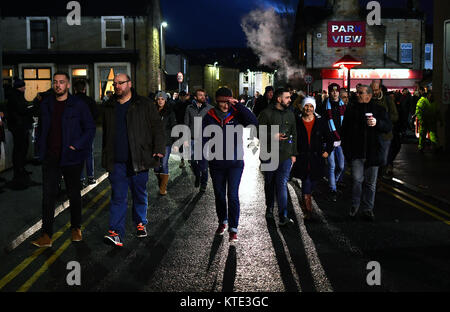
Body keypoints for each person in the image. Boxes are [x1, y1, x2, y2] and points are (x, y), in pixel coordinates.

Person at [31, 72, 96, 247]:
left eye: (61, 82)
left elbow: (90, 129)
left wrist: (77, 145)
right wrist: (40, 149)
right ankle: (46, 235)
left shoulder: (78, 105)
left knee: (74, 194)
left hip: (72, 157)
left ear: (68, 85)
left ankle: (76, 228)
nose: (58, 85)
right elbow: (41, 128)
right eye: (55, 82)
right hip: (51, 157)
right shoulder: (46, 104)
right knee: (48, 197)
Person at [102, 73, 165, 247]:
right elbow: (106, 135)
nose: (117, 86)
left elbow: (157, 128)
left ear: (129, 83)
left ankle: (140, 222)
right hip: (117, 162)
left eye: (120, 83)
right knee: (118, 197)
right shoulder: (109, 106)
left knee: (139, 194)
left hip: (139, 158)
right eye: (115, 84)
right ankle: (116, 233)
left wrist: (159, 149)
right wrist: (105, 157)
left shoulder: (144, 104)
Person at [200, 87, 258, 242]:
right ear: (217, 102)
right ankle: (222, 221)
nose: (225, 106)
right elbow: (204, 141)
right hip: (216, 164)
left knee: (232, 195)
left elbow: (253, 122)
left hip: (235, 163)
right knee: (219, 195)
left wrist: (238, 105)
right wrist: (203, 163)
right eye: (222, 102)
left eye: (228, 102)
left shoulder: (237, 114)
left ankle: (233, 228)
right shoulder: (209, 117)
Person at [341, 85, 392, 221]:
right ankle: (355, 205)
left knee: (370, 183)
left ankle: (368, 209)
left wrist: (377, 123)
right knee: (357, 180)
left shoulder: (379, 110)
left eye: (360, 93)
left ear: (368, 96)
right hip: (356, 153)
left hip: (373, 153)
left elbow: (388, 127)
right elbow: (344, 132)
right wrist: (347, 152)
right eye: (357, 92)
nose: (357, 94)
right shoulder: (351, 110)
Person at [258, 88, 297, 226]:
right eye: (287, 97)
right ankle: (269, 207)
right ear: (279, 99)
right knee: (269, 183)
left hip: (285, 155)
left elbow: (294, 134)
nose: (290, 100)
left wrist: (293, 153)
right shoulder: (266, 113)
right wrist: (273, 136)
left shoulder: (291, 115)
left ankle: (283, 215)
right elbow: (258, 133)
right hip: (269, 154)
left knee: (281, 184)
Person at [291, 97, 334, 219]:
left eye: (311, 106)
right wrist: (292, 152)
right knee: (306, 180)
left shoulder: (320, 121)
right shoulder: (297, 120)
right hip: (302, 157)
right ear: (302, 107)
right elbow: (292, 138)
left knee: (313, 181)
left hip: (316, 157)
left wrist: (327, 151)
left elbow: (329, 139)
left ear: (314, 108)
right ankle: (307, 210)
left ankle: (306, 201)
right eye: (306, 106)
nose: (308, 108)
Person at [6, 78, 34, 189]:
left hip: (20, 126)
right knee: (20, 148)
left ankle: (21, 168)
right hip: (18, 127)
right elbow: (21, 110)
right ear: (20, 87)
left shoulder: (16, 95)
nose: (25, 88)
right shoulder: (15, 96)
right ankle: (19, 170)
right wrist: (31, 108)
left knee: (22, 147)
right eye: (23, 86)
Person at [184, 89, 213, 192]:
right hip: (192, 139)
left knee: (204, 163)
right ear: (195, 97)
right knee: (192, 161)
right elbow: (186, 123)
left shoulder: (210, 108)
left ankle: (203, 183)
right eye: (200, 95)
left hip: (205, 140)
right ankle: (197, 176)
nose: (202, 97)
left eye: (204, 95)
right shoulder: (189, 108)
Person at [73, 80, 99, 187]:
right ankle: (91, 177)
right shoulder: (90, 101)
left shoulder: (71, 101)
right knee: (89, 154)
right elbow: (96, 115)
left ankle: (80, 179)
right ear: (84, 89)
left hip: (75, 131)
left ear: (75, 89)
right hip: (88, 131)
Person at [370, 81, 398, 175]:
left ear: (380, 89)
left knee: (383, 160)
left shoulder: (387, 100)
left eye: (376, 90)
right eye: (372, 90)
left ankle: (380, 177)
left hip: (384, 135)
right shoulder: (368, 99)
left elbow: (395, 116)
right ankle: (376, 181)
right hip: (372, 135)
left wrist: (383, 120)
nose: (374, 92)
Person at [325, 83, 346, 202]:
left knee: (341, 166)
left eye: (336, 91)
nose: (334, 93)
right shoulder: (325, 106)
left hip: (341, 139)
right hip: (330, 140)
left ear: (339, 92)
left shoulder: (343, 106)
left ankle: (334, 181)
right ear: (329, 92)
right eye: (332, 91)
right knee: (332, 166)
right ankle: (332, 188)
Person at [154, 91, 177, 195]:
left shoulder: (169, 112)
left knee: (164, 164)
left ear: (165, 100)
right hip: (154, 142)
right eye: (158, 99)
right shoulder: (152, 111)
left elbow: (174, 127)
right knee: (156, 166)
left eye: (162, 99)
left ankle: (163, 188)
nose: (160, 101)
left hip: (166, 142)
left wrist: (175, 142)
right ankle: (161, 182)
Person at [173, 90, 191, 168]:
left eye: (184, 96)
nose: (183, 98)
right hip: (180, 126)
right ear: (180, 97)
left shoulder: (189, 104)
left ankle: (190, 159)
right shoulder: (176, 104)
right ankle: (182, 160)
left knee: (188, 143)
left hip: (187, 126)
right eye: (181, 96)